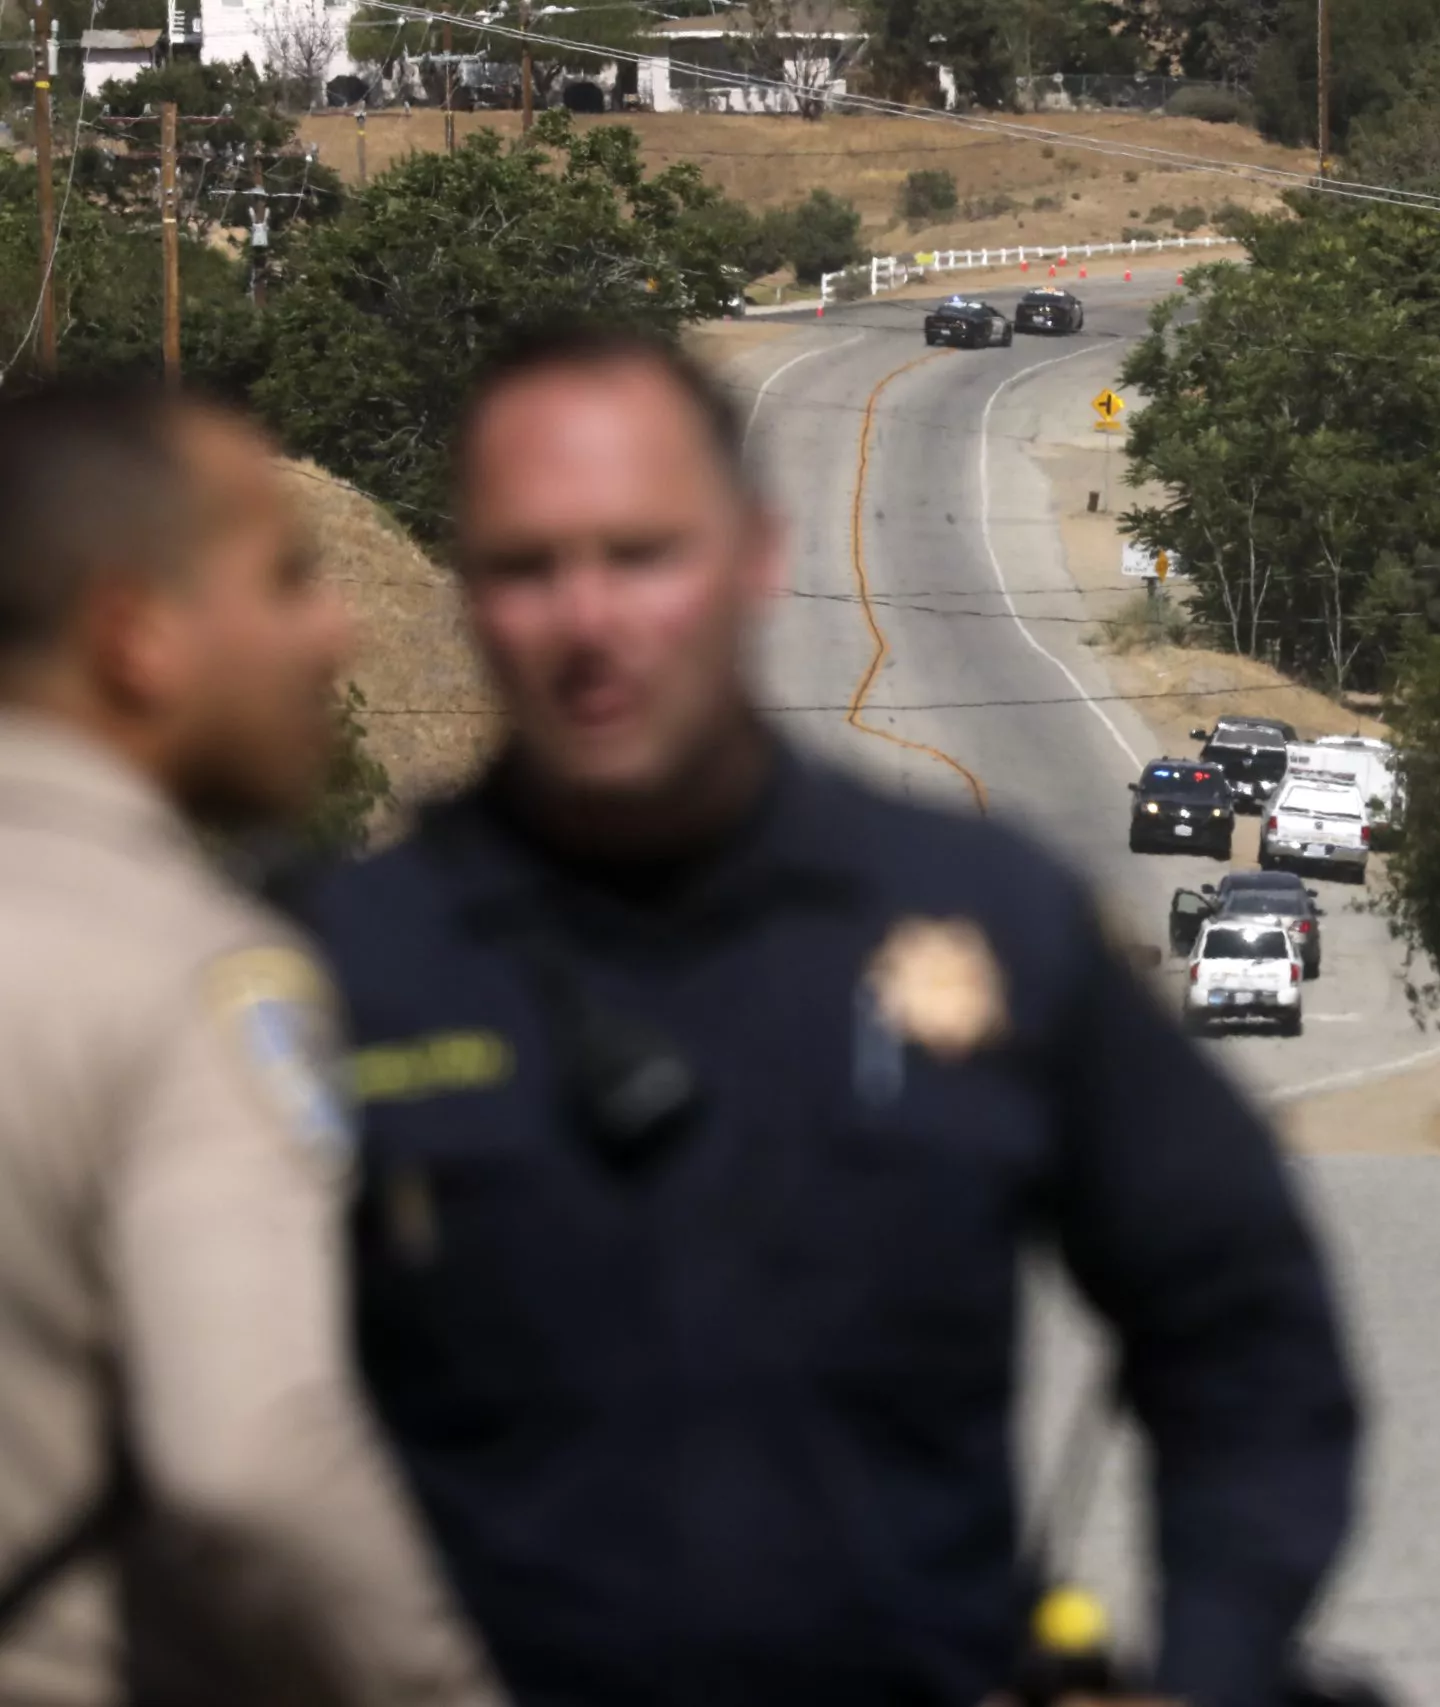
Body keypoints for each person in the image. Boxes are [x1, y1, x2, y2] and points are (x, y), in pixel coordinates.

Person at [301, 325, 1360, 1707]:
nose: (589, 620)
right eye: (524, 569)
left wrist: (1212, 1662)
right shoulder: (341, 973)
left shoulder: (981, 918)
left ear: (752, 556)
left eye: (641, 555)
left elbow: (1245, 1322)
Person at [0, 384, 502, 1706]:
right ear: (136, 635)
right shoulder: (189, 977)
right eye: (282, 579)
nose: (334, 631)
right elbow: (255, 1462)